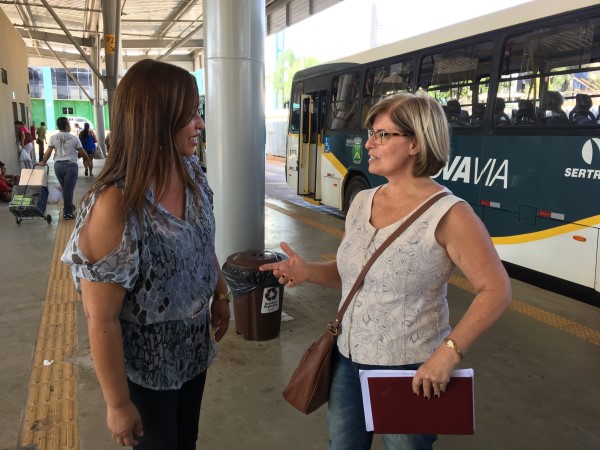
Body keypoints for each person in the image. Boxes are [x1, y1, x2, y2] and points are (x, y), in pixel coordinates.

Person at [259, 92, 512, 450]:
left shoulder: (450, 215)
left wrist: (448, 353)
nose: (369, 144)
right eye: (371, 133)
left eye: (382, 134)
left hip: (410, 371)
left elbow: (496, 290)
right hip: (346, 359)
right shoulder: (363, 201)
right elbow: (358, 273)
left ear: (415, 143)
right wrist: (309, 271)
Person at [61, 59, 231, 449]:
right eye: (189, 115)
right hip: (145, 369)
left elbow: (203, 243)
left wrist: (220, 294)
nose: (200, 124)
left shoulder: (192, 174)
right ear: (155, 119)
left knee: (186, 440)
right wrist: (117, 404)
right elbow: (100, 318)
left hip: (192, 349)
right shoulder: (116, 205)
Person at [39, 117, 91, 220]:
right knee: (68, 189)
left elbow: (48, 152)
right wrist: (87, 160)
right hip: (71, 165)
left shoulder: (53, 137)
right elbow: (82, 151)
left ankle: (70, 206)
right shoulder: (74, 138)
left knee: (65, 188)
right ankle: (67, 212)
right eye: (69, 124)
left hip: (58, 166)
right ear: (67, 126)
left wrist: (43, 162)